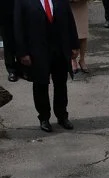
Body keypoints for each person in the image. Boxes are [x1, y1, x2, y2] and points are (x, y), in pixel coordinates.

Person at [14, 0, 80, 132]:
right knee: (40, 85)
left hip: (59, 50)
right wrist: (22, 53)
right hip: (37, 51)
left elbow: (70, 21)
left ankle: (62, 116)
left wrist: (74, 45)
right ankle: (44, 117)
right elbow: (18, 26)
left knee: (61, 84)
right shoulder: (23, 2)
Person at [0, 0, 22, 82]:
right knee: (8, 42)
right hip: (4, 13)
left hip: (20, 10)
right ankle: (11, 70)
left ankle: (22, 69)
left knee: (21, 41)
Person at [70, 0, 90, 73]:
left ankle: (82, 59)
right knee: (71, 35)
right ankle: (73, 60)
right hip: (69, 7)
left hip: (82, 5)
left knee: (83, 35)